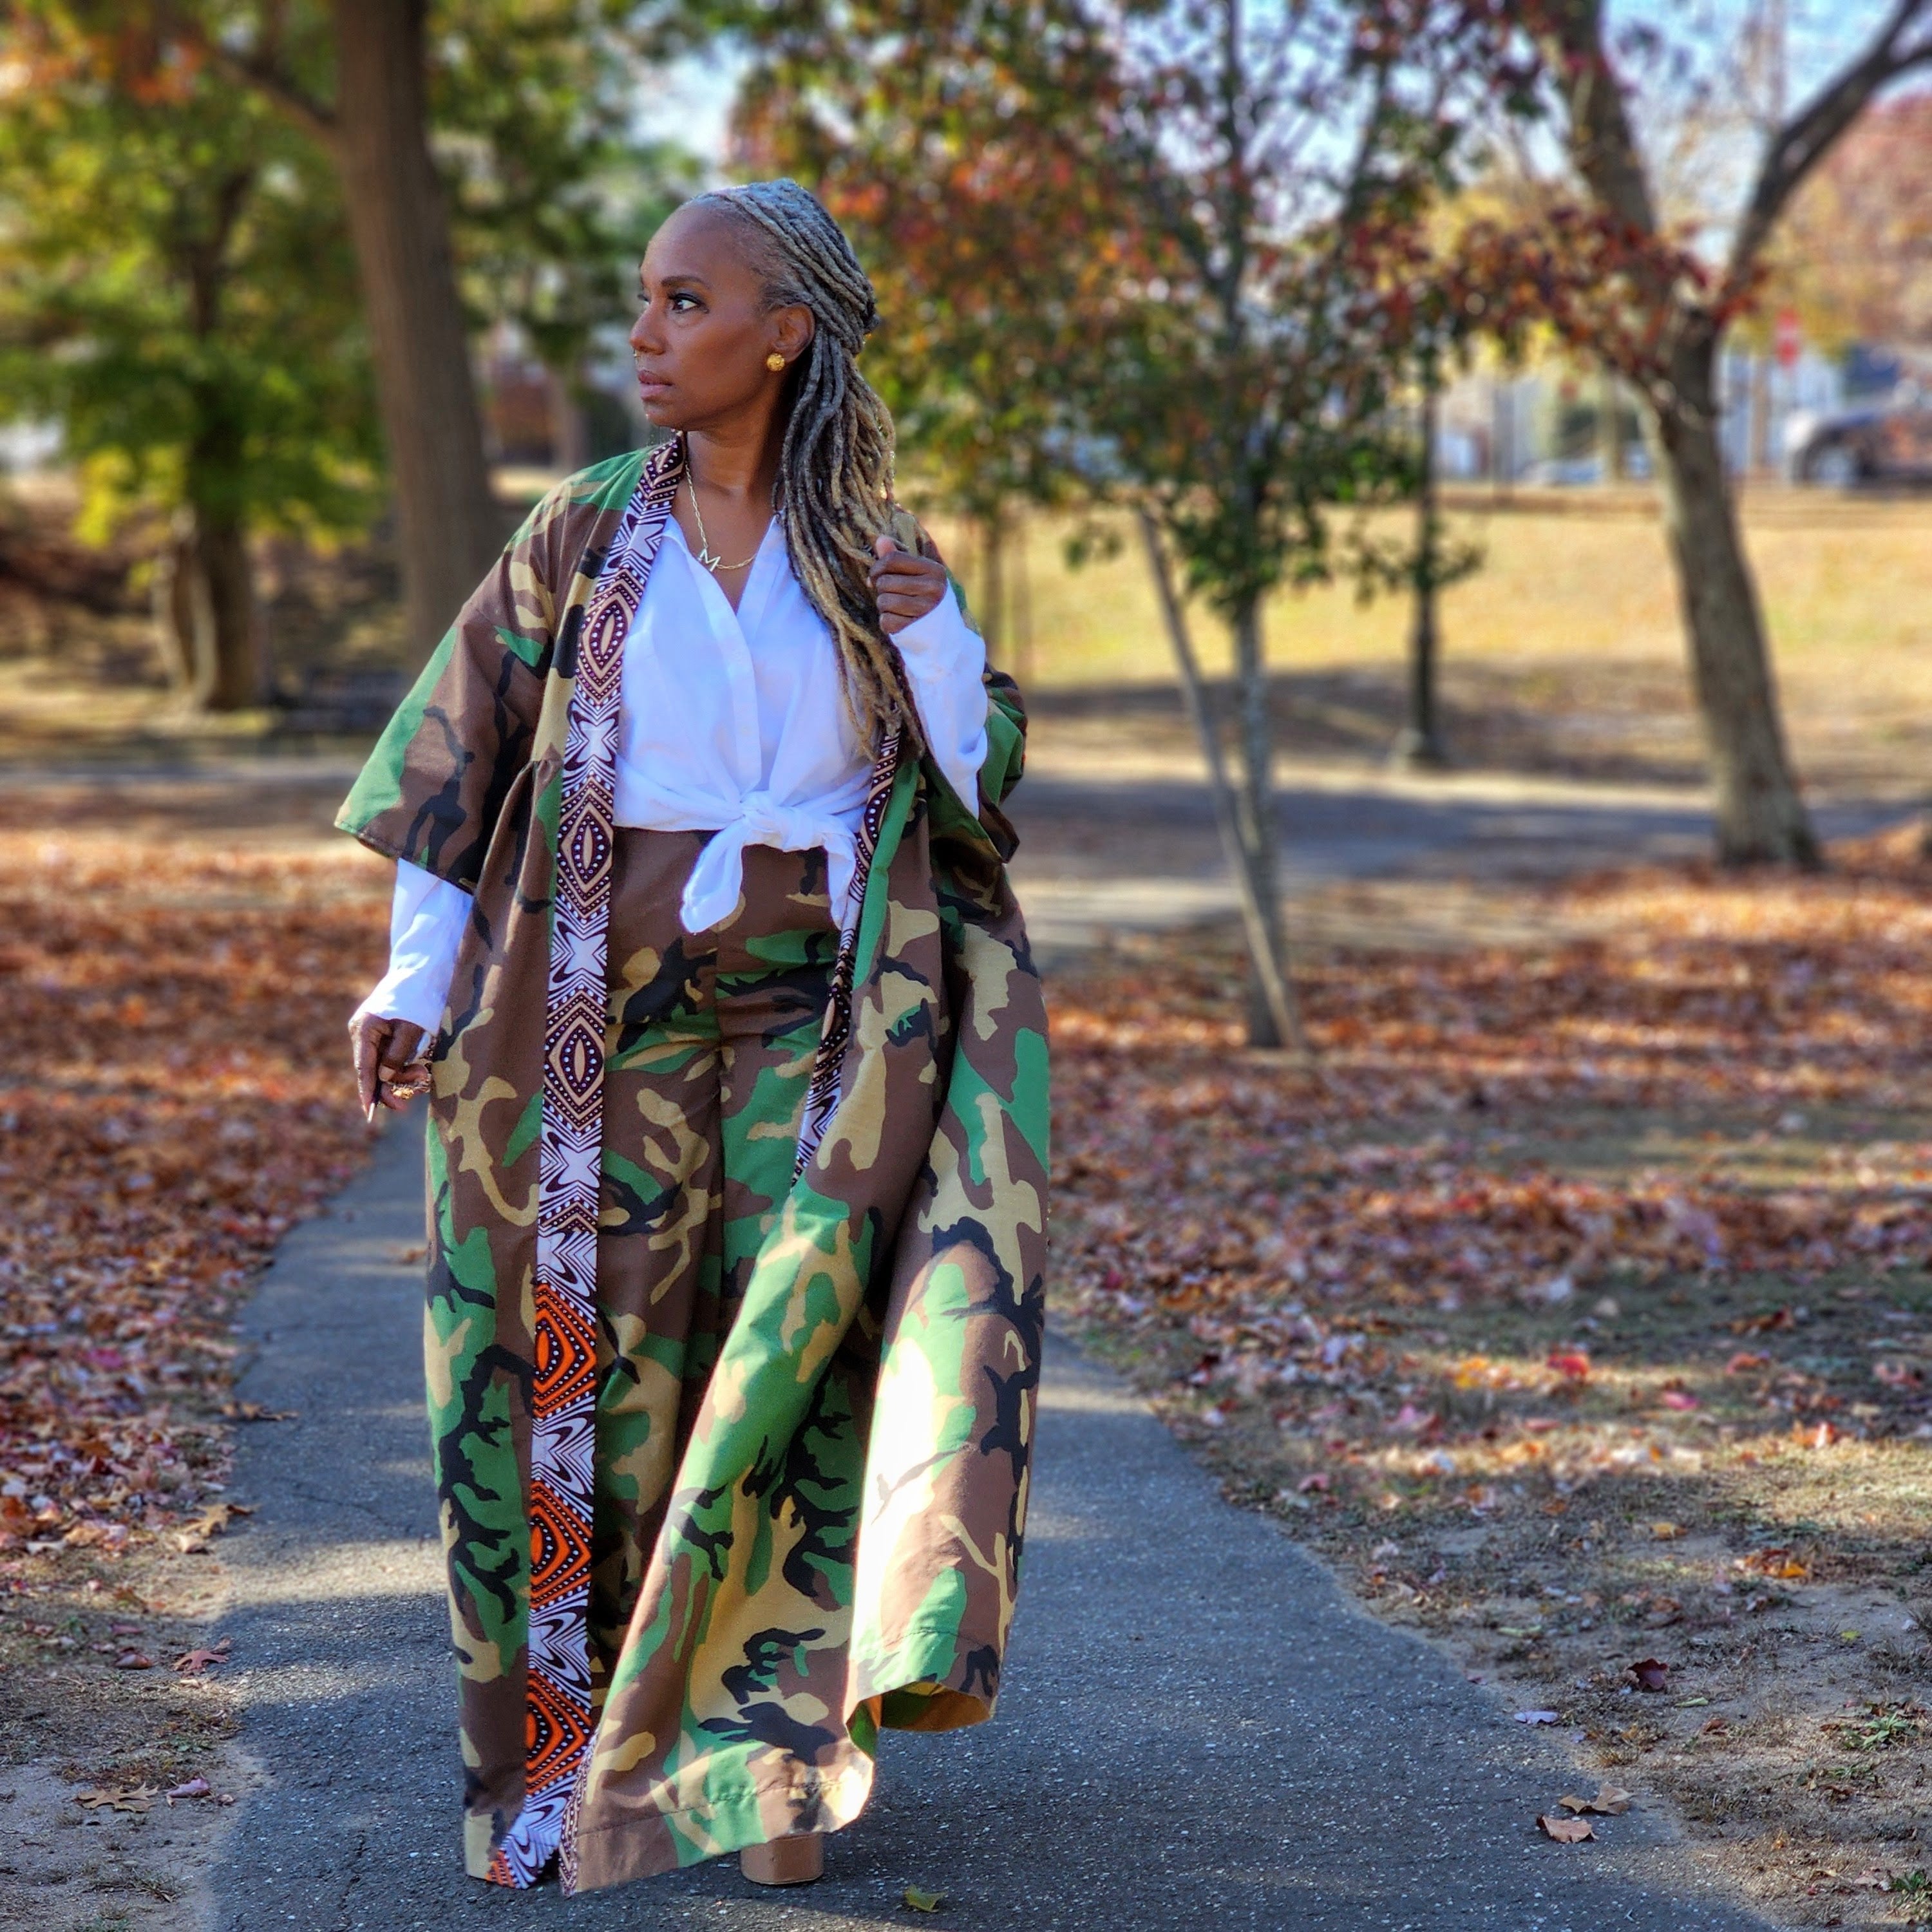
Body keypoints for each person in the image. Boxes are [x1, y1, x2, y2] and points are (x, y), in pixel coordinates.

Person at [337, 180, 1048, 1897]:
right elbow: (454, 762)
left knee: (786, 1365)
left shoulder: (873, 553)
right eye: (646, 298)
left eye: (685, 302)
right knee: (603, 1369)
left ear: (783, 333)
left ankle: (767, 1769)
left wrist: (936, 634)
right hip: (598, 1013)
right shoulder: (583, 533)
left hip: (827, 1016)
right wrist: (412, 982)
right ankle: (593, 1752)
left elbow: (974, 786)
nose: (645, 336)